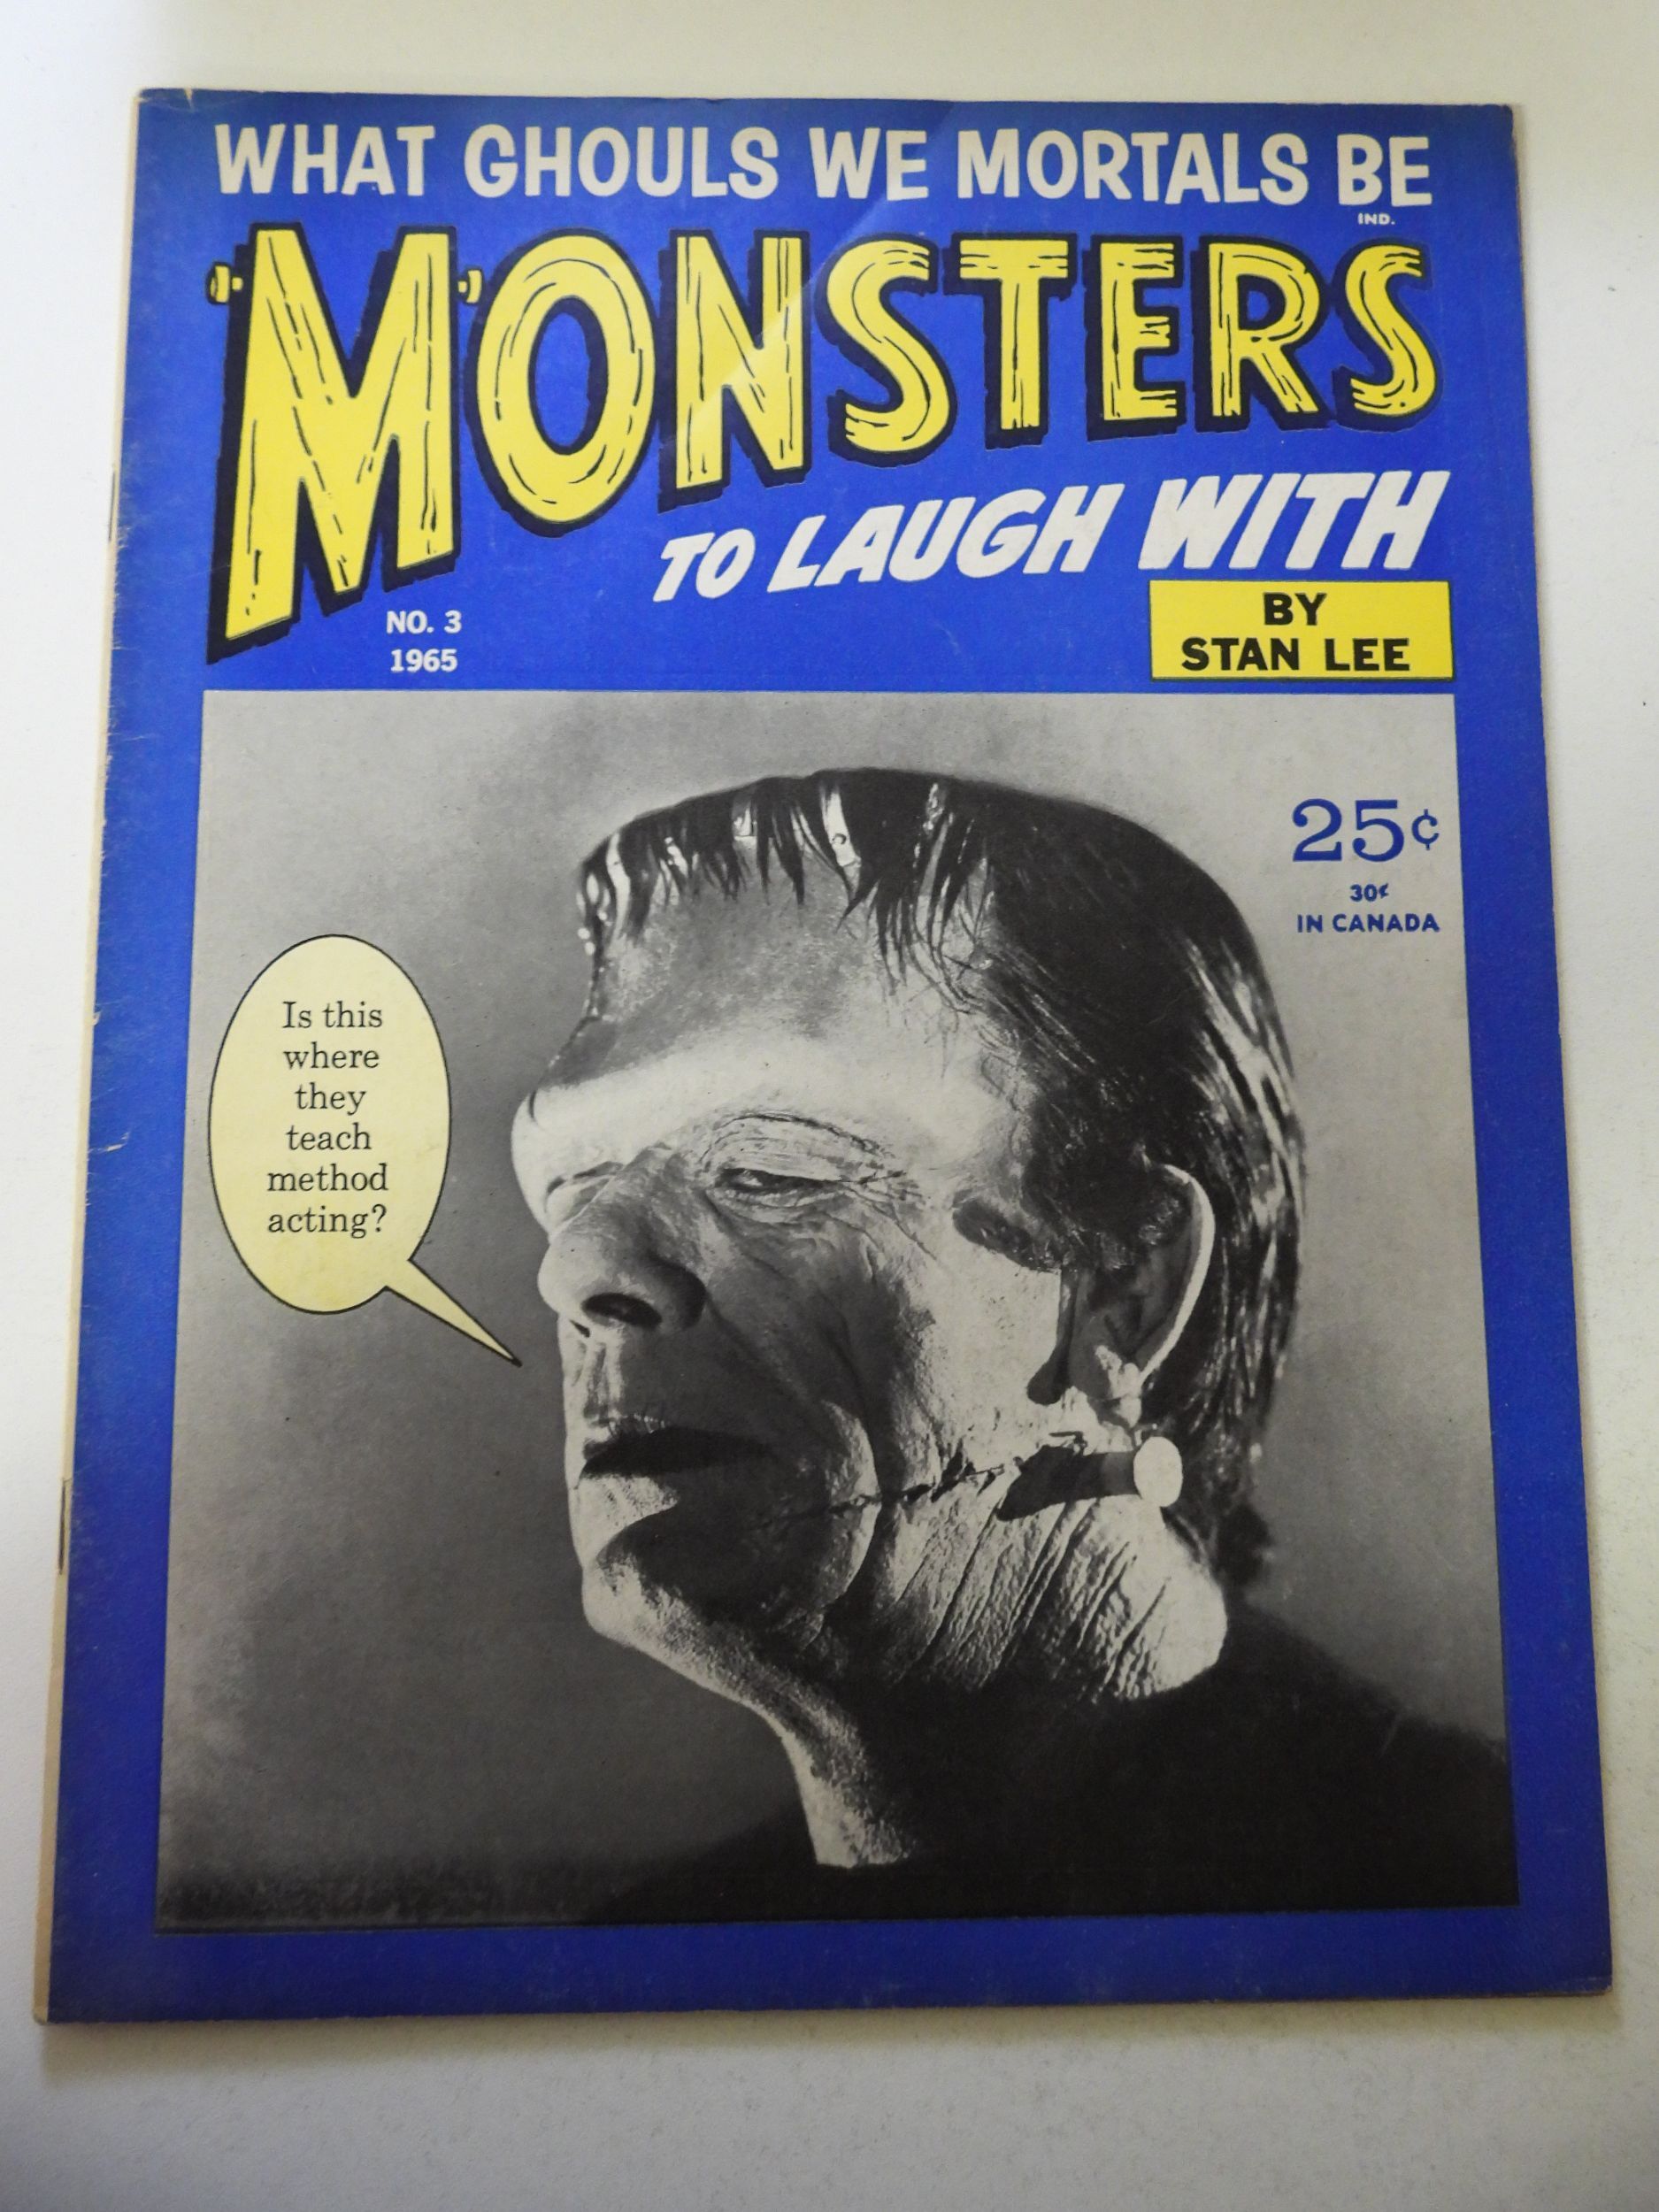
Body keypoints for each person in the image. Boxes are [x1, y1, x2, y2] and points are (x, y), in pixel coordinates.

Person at [511, 767, 1515, 1920]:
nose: (578, 1268)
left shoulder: (1458, 1884)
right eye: (571, 1189)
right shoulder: (658, 1956)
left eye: (769, 1169)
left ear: (1124, 1287)